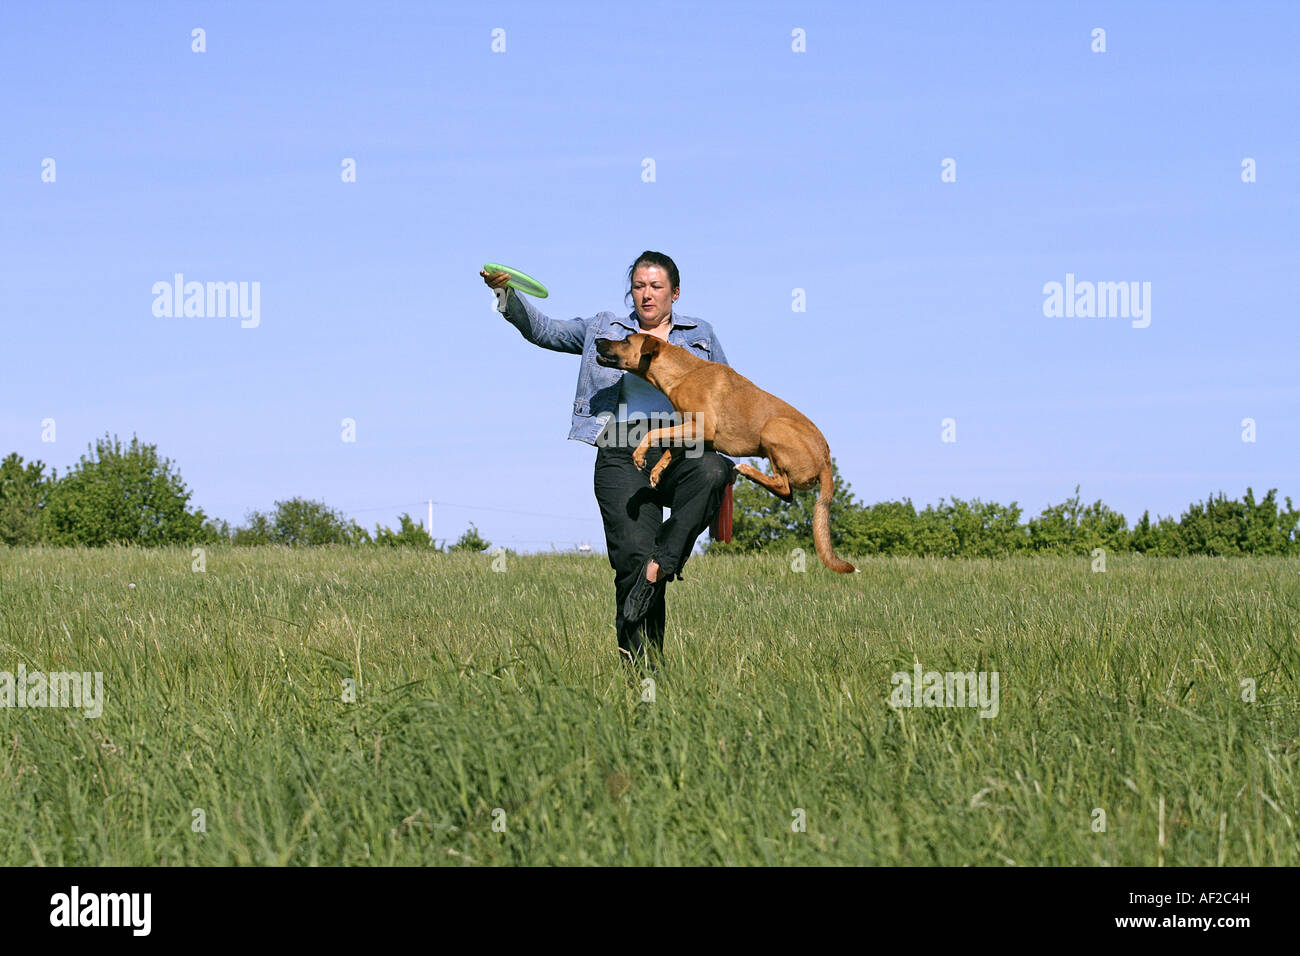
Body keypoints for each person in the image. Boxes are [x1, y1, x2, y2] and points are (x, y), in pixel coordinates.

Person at [480, 251, 735, 667]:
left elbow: (727, 392)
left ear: (675, 292)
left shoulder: (699, 334)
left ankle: (663, 561)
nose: (646, 295)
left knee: (714, 470)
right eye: (639, 286)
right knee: (633, 560)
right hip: (621, 449)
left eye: (656, 286)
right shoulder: (605, 328)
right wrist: (507, 294)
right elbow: (545, 331)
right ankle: (644, 677)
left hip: (682, 447)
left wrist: (730, 462)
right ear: (630, 291)